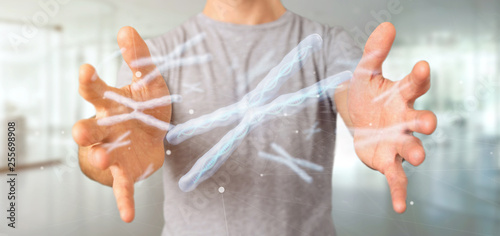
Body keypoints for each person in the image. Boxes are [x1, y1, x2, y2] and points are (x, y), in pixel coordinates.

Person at [72, 0, 437, 235]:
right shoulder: (155, 57)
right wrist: (107, 152)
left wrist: (374, 124)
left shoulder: (327, 43)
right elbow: (108, 156)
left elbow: (357, 100)